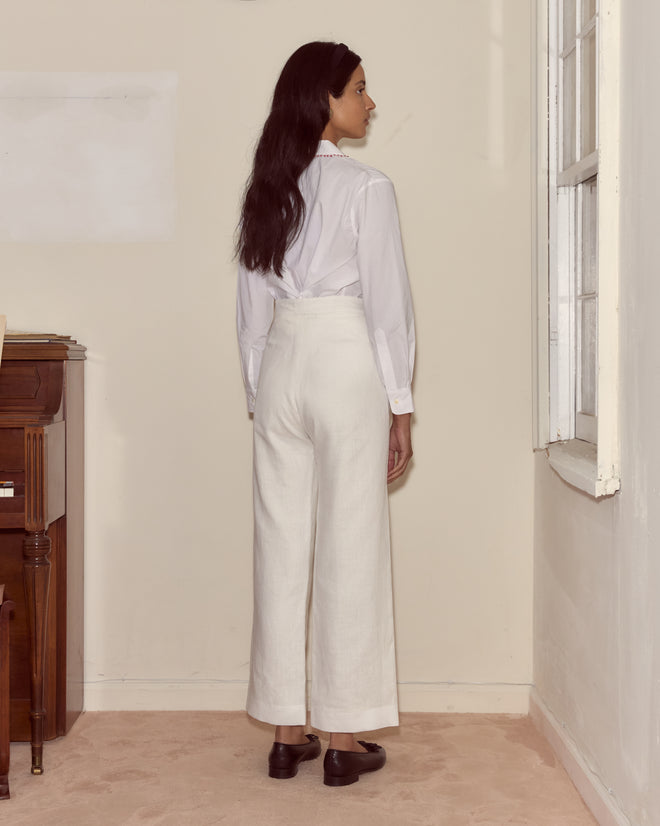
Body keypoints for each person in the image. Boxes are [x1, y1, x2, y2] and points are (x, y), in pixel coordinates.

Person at [236, 41, 415, 787]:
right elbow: (386, 308)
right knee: (350, 540)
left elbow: (250, 311)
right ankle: (341, 738)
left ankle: (285, 733)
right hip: (344, 362)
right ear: (325, 99)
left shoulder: (267, 189)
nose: (371, 103)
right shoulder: (367, 188)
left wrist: (260, 392)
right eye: (361, 89)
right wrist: (400, 404)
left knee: (280, 546)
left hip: (282, 364)